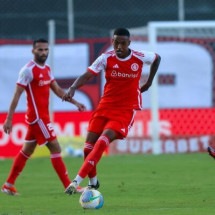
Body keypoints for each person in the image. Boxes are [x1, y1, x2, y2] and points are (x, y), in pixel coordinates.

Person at [63, 28, 161, 195]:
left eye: (122, 43)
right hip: (104, 107)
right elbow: (87, 75)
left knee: (102, 141)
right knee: (87, 148)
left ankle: (76, 181)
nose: (119, 46)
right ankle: (93, 183)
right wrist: (73, 88)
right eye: (116, 42)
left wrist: (149, 82)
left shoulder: (139, 56)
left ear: (129, 43)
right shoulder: (106, 58)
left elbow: (157, 58)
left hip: (125, 110)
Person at [1, 38, 86, 196]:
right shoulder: (28, 70)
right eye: (40, 50)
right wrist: (9, 118)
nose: (43, 53)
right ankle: (69, 186)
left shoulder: (47, 69)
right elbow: (16, 94)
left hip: (41, 118)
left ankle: (8, 185)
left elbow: (58, 90)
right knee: (55, 147)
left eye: (46, 50)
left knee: (27, 150)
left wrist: (75, 102)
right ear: (33, 51)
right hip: (38, 118)